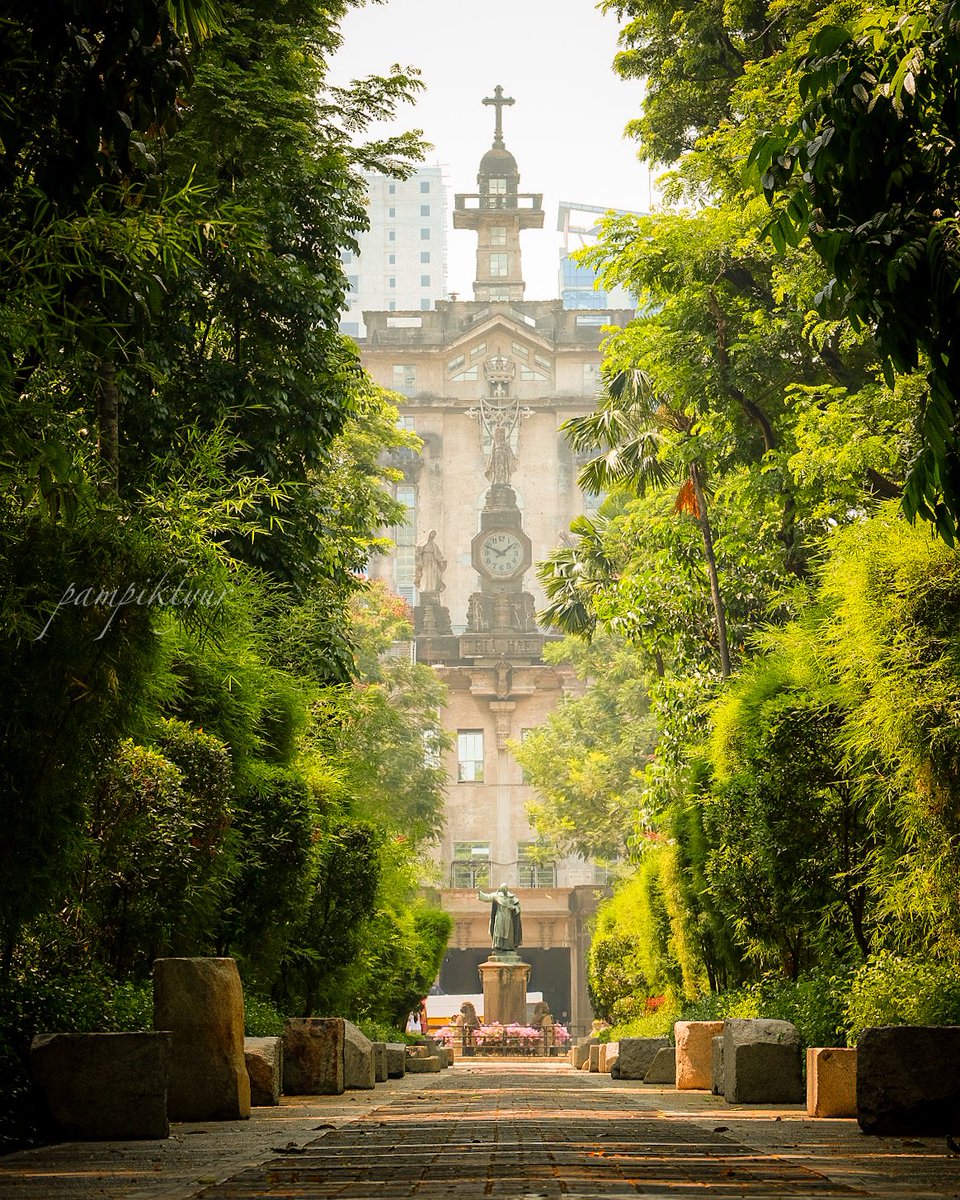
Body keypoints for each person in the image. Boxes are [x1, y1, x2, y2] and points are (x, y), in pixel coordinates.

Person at [477, 883, 522, 951]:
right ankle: (498, 945)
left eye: (505, 888)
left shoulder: (512, 897)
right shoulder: (496, 896)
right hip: (500, 915)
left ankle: (508, 946)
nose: (504, 890)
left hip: (508, 917)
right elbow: (487, 897)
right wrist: (480, 893)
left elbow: (518, 907)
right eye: (503, 888)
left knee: (509, 932)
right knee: (498, 931)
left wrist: (513, 907)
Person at [415, 530, 446, 594]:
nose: (433, 536)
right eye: (432, 534)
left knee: (433, 575)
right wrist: (420, 560)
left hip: (433, 562)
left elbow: (438, 554)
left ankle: (432, 589)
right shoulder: (422, 543)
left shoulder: (434, 545)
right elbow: (418, 552)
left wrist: (443, 560)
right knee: (425, 574)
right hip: (425, 560)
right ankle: (424, 588)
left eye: (434, 535)